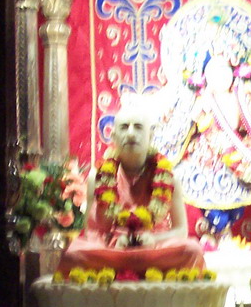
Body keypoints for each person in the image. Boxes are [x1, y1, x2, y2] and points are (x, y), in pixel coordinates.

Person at [58, 114, 205, 275]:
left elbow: (181, 231)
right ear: (113, 136)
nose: (130, 133)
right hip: (113, 251)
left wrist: (153, 240)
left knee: (192, 251)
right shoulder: (98, 176)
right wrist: (114, 242)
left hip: (156, 250)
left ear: (150, 136)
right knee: (73, 255)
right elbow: (91, 231)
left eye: (138, 127)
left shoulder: (169, 177)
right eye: (124, 127)